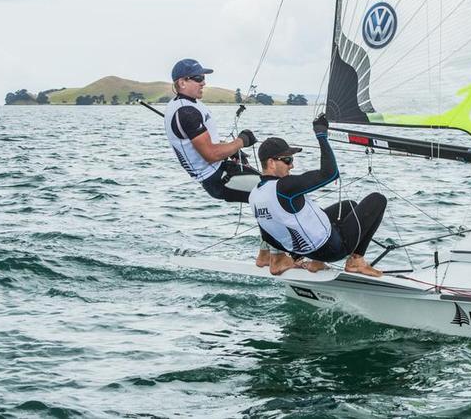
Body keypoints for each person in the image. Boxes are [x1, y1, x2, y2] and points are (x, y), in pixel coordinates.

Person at [163, 58, 271, 266]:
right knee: (273, 194)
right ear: (182, 82)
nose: (203, 82)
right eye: (198, 78)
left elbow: (209, 144)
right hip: (217, 178)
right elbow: (211, 154)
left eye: (204, 78)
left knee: (271, 189)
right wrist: (241, 142)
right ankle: (272, 257)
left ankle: (270, 253)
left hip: (221, 169)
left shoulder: (186, 106)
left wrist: (231, 150)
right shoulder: (186, 112)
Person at [250, 115, 388, 277]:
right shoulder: (284, 187)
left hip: (307, 251)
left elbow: (268, 234)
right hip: (332, 249)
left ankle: (305, 262)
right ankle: (356, 261)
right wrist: (321, 135)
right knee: (378, 199)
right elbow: (330, 174)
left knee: (348, 206)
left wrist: (290, 254)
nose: (292, 165)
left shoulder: (254, 195)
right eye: (287, 160)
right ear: (271, 163)